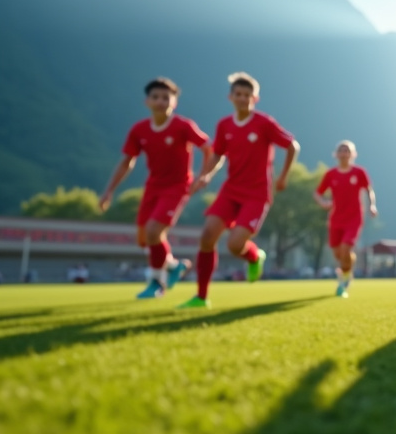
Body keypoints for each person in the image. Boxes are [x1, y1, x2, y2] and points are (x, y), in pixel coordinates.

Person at [180, 72, 300, 309]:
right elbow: (218, 154)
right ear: (231, 97)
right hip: (230, 191)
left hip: (256, 194)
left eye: (247, 95)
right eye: (239, 94)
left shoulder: (264, 123)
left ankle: (254, 256)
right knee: (207, 237)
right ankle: (201, 297)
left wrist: (283, 176)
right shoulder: (224, 125)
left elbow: (292, 146)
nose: (243, 98)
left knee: (235, 245)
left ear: (255, 98)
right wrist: (206, 175)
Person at [100, 77, 210, 299]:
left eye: (166, 98)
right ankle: (174, 265)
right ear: (147, 101)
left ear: (174, 102)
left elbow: (209, 148)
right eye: (156, 97)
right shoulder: (139, 130)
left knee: (153, 232)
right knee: (144, 239)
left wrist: (203, 175)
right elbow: (127, 161)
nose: (161, 101)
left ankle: (156, 282)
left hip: (177, 187)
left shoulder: (183, 126)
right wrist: (109, 190)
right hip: (153, 187)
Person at [314, 140, 377, 297]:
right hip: (336, 219)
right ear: (336, 154)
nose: (344, 153)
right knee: (338, 254)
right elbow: (317, 193)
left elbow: (369, 190)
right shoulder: (331, 174)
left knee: (345, 249)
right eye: (341, 150)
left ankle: (343, 281)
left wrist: (372, 205)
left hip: (354, 218)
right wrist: (323, 202)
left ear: (352, 154)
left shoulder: (359, 172)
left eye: (347, 150)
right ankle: (349, 262)